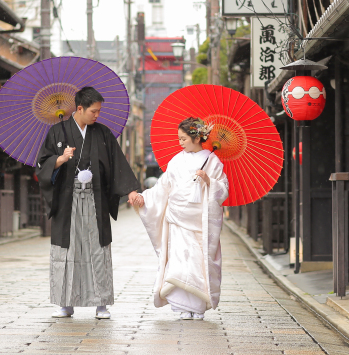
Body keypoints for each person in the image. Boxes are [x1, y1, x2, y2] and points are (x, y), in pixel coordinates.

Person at [36, 87, 144, 319]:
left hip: (95, 199)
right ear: (80, 108)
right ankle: (65, 303)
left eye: (99, 111)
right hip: (67, 199)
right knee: (68, 250)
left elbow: (117, 164)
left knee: (97, 249)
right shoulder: (57, 132)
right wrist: (60, 159)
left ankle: (101, 303)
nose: (97, 115)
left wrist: (131, 190)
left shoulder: (103, 133)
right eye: (93, 111)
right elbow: (42, 164)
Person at [136, 117, 229, 320]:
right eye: (179, 138)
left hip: (200, 220)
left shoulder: (212, 161)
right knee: (179, 261)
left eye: (183, 138)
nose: (180, 142)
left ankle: (197, 306)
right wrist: (145, 197)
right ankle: (181, 306)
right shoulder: (176, 160)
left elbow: (223, 189)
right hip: (177, 218)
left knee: (198, 262)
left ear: (197, 138)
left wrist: (208, 180)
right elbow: (163, 187)